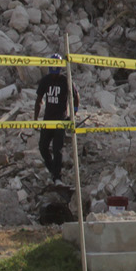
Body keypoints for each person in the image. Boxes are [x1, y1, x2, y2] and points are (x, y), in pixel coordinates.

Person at [33, 55, 78, 183]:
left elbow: (76, 97)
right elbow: (38, 100)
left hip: (60, 120)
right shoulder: (45, 80)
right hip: (47, 119)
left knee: (57, 149)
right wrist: (35, 119)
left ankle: (57, 176)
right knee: (43, 147)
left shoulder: (65, 80)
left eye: (56, 72)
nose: (54, 76)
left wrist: (73, 114)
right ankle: (53, 170)